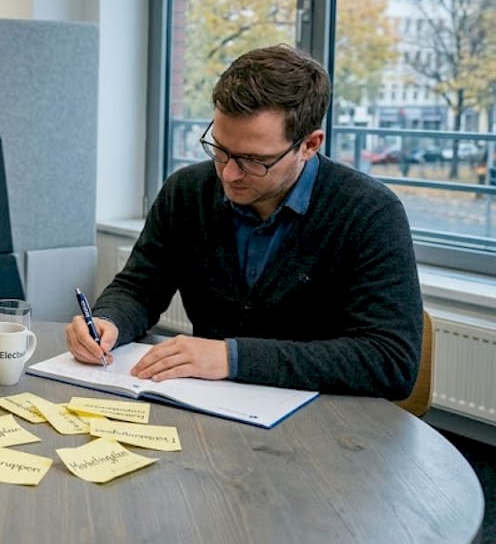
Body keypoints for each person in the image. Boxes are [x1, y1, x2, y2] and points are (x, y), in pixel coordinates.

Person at [65, 44, 422, 398]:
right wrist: (108, 322)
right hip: (209, 406)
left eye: (254, 160)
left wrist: (231, 357)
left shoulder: (369, 212)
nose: (229, 174)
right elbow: (139, 288)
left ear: (310, 145)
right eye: (220, 149)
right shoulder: (188, 191)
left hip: (324, 420)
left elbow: (390, 361)